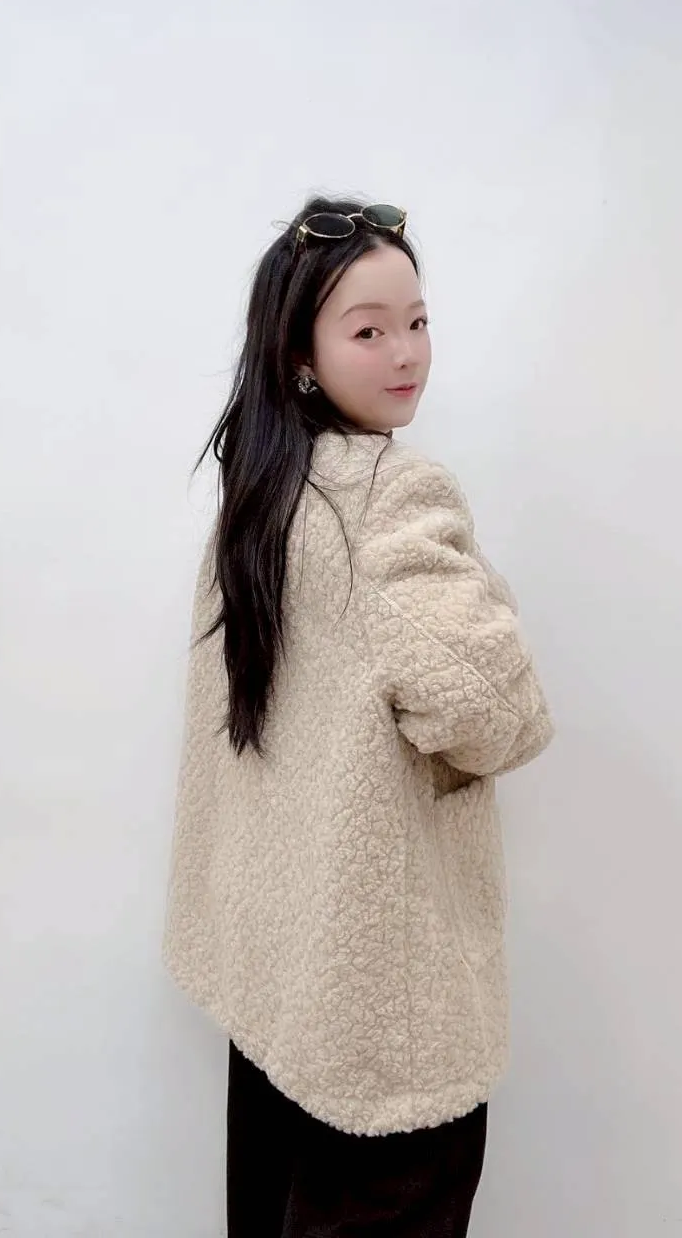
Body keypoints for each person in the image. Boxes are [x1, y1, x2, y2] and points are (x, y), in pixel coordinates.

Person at [163, 195, 554, 1236]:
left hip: (283, 988)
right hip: (383, 1020)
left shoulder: (261, 494)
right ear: (301, 353)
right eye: (368, 330)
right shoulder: (391, 495)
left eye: (417, 320)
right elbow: (497, 711)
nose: (407, 353)